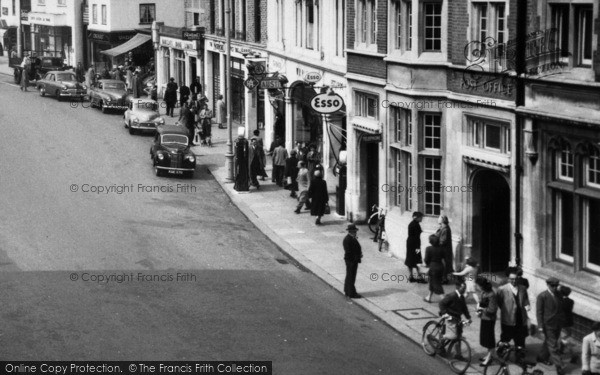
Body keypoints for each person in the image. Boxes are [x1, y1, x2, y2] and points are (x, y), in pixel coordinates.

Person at [496, 267, 531, 358]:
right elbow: (499, 302)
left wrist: (527, 306)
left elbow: (525, 299)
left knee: (520, 337)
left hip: (520, 317)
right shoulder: (502, 289)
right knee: (506, 337)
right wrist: (506, 309)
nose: (514, 281)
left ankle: (519, 353)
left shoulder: (522, 288)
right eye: (511, 279)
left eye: (515, 279)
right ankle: (501, 350)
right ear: (508, 279)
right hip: (508, 318)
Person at [536, 277, 566, 375]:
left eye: (556, 286)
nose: (554, 287)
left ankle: (541, 357)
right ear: (548, 285)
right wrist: (540, 325)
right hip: (547, 324)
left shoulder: (559, 295)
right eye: (552, 286)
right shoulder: (542, 296)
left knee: (549, 342)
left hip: (558, 323)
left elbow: (561, 308)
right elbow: (539, 312)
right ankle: (559, 366)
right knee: (553, 345)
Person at [476, 277, 498, 366]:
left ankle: (489, 358)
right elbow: (482, 303)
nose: (477, 286)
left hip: (489, 319)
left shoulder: (491, 295)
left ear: (482, 286)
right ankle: (489, 354)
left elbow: (492, 310)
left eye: (478, 285)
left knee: (489, 339)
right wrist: (478, 309)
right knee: (485, 338)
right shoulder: (483, 292)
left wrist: (482, 309)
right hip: (484, 318)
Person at [558, 286, 578, 365]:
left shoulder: (559, 301)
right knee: (566, 337)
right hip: (569, 322)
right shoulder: (571, 301)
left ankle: (573, 355)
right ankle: (562, 350)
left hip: (561, 322)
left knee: (563, 339)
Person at [343, 224, 362, 299]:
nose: (356, 232)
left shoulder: (351, 238)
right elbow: (349, 251)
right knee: (351, 276)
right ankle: (351, 293)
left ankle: (347, 291)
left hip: (352, 260)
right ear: (351, 231)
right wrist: (355, 258)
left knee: (350, 276)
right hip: (351, 261)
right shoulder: (348, 239)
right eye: (354, 231)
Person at [423, 235, 445, 303]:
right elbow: (444, 258)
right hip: (440, 266)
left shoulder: (428, 248)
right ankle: (428, 297)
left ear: (430, 241)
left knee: (436, 284)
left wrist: (427, 265)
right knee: (433, 282)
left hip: (433, 267)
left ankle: (445, 301)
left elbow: (426, 259)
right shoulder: (442, 248)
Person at [406, 212, 425, 283]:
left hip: (410, 244)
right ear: (416, 217)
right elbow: (416, 237)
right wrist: (417, 248)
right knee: (416, 260)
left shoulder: (412, 224)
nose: (422, 219)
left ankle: (411, 276)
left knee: (410, 260)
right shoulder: (415, 225)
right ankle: (419, 277)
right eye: (420, 217)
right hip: (415, 245)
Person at [435, 215, 454, 283]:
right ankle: (443, 278)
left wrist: (436, 243)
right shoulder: (442, 227)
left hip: (444, 250)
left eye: (439, 219)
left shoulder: (445, 229)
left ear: (442, 220)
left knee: (444, 265)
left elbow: (443, 240)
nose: (438, 220)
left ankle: (444, 279)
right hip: (442, 249)